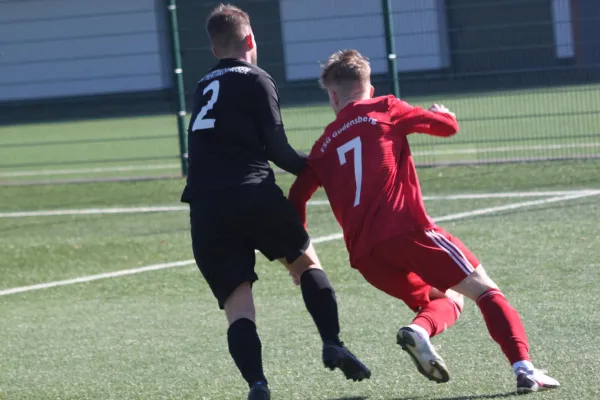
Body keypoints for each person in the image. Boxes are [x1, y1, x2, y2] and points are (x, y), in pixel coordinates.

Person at [287, 49, 560, 394]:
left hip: (366, 257)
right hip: (407, 231)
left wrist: (298, 262)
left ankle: (419, 331)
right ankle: (525, 369)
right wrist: (441, 114)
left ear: (333, 95)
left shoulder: (323, 144)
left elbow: (296, 199)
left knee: (445, 299)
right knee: (485, 290)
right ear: (368, 86)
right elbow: (447, 129)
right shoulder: (384, 107)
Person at [180, 6, 370, 400]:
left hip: (206, 206)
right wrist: (321, 166)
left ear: (215, 49)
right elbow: (278, 151)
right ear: (250, 40)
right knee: (304, 262)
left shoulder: (201, 86)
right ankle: (332, 342)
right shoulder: (256, 78)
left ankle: (258, 384)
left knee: (238, 304)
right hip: (252, 191)